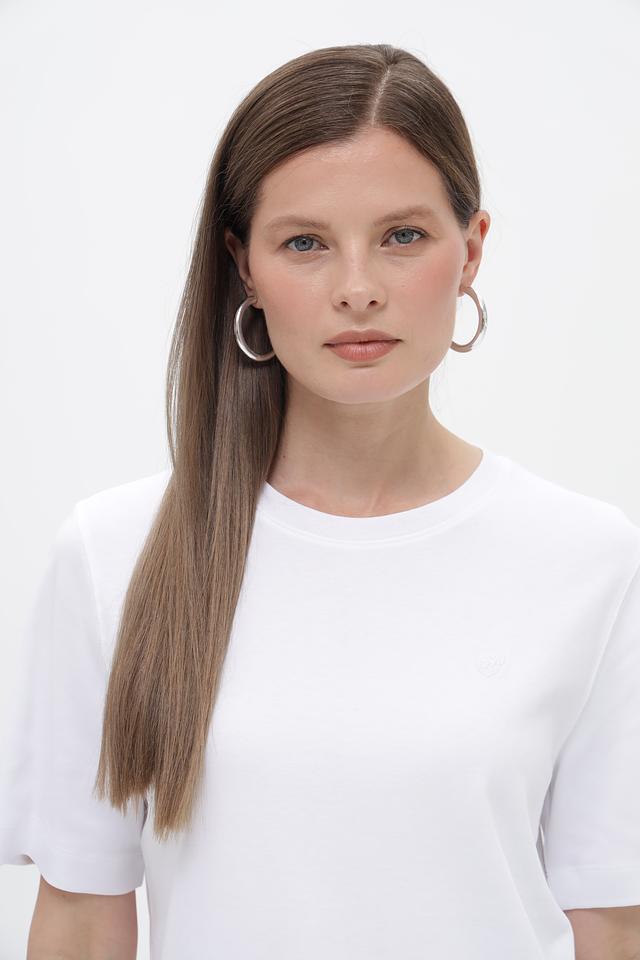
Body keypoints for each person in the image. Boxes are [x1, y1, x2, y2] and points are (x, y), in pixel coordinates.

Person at [2, 42, 640, 960]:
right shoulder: (117, 553)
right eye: (305, 243)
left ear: (471, 250)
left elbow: (611, 924)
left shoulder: (588, 559)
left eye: (403, 236)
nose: (357, 289)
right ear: (244, 267)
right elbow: (79, 920)